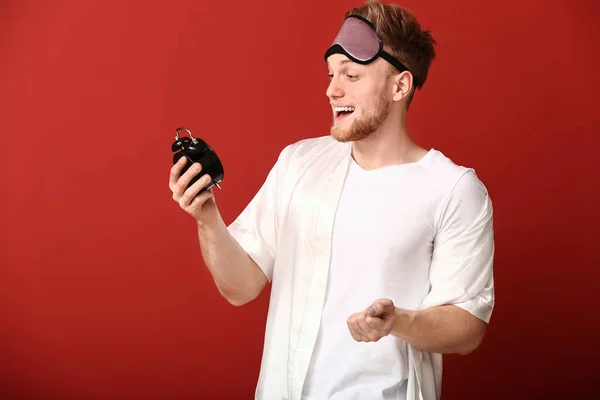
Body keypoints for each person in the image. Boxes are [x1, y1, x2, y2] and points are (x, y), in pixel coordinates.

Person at [168, 0, 495, 399]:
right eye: (331, 74)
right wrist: (207, 216)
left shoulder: (453, 189)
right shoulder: (299, 162)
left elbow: (467, 328)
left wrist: (397, 322)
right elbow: (241, 286)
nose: (331, 89)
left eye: (351, 75)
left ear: (399, 86)